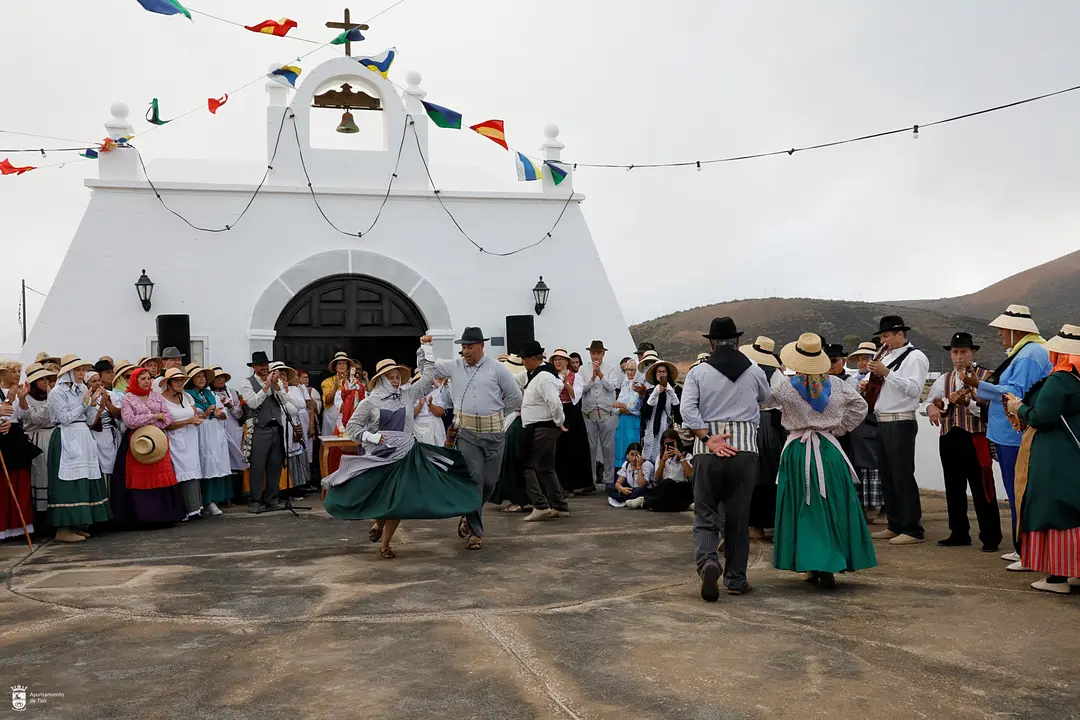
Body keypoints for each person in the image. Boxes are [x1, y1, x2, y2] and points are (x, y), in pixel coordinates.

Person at [324, 338, 478, 559]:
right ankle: (378, 520)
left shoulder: (407, 395)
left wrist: (425, 350)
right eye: (391, 377)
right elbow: (353, 427)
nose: (396, 380)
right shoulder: (370, 402)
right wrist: (373, 437)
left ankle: (385, 544)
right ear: (382, 380)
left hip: (406, 455)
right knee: (380, 496)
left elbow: (427, 379)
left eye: (398, 377)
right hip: (381, 456)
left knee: (399, 501)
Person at [772, 333, 877, 590]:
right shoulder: (838, 385)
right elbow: (860, 407)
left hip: (797, 451)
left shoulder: (786, 387)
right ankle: (830, 561)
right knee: (833, 504)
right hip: (829, 450)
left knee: (803, 505)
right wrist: (839, 428)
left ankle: (809, 562)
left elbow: (762, 401)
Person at [682, 317, 771, 600]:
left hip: (709, 449)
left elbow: (687, 411)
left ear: (710, 342)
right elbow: (765, 398)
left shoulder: (698, 372)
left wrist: (709, 438)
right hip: (744, 449)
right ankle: (736, 579)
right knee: (738, 517)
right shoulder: (754, 369)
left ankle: (708, 561)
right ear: (736, 341)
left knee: (706, 512)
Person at [960, 304, 1052, 569]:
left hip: (1014, 433)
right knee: (1015, 491)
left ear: (1015, 330)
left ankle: (1027, 552)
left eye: (1002, 329)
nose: (999, 334)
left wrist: (980, 385)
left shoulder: (1028, 355)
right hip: (1006, 432)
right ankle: (1020, 546)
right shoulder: (1023, 352)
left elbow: (1014, 392)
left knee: (1019, 491)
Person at [434, 327, 523, 551]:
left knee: (490, 482)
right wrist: (425, 347)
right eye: (463, 347)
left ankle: (468, 511)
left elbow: (515, 396)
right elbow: (429, 367)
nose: (466, 351)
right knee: (475, 480)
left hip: (494, 433)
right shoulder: (454, 366)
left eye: (470, 347)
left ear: (482, 346)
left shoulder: (497, 369)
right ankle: (476, 532)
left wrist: (500, 415)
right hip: (467, 433)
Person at [1008, 324, 1080, 593]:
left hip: (1054, 455)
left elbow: (1041, 417)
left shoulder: (1059, 380)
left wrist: (1019, 407)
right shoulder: (1077, 380)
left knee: (1053, 508)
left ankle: (1058, 576)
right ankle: (1076, 572)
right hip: (1073, 453)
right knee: (1074, 508)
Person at [926, 332, 1002, 551]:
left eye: (963, 352)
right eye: (955, 352)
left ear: (973, 352)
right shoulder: (945, 378)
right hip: (950, 435)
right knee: (953, 486)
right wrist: (933, 409)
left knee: (983, 485)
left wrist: (968, 403)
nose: (959, 357)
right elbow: (934, 401)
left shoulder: (987, 377)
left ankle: (990, 536)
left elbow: (991, 410)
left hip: (976, 435)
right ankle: (958, 532)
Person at [864, 315, 930, 546]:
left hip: (901, 420)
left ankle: (912, 528)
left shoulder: (916, 357)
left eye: (886, 335)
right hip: (883, 420)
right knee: (888, 475)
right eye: (882, 336)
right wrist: (868, 383)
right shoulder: (886, 356)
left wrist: (887, 373)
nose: (883, 340)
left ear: (900, 334)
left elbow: (914, 390)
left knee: (902, 475)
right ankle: (895, 524)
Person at [46, 355, 111, 542]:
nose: (81, 373)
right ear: (68, 372)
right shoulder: (57, 393)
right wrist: (84, 403)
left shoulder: (83, 388)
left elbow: (89, 420)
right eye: (78, 370)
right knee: (68, 482)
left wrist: (94, 405)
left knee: (83, 479)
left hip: (83, 435)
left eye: (83, 370)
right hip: (67, 436)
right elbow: (65, 418)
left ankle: (77, 524)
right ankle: (63, 528)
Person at [113, 367, 186, 525]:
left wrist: (152, 418)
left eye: (149, 378)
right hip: (139, 442)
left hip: (158, 440)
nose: (147, 381)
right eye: (143, 379)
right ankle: (143, 516)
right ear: (135, 381)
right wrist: (153, 416)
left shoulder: (156, 396)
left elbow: (167, 417)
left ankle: (164, 515)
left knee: (161, 474)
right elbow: (130, 421)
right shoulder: (128, 398)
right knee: (140, 475)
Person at [740, 336, 786, 538]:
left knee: (759, 472)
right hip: (772, 425)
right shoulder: (777, 374)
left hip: (762, 423)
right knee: (771, 473)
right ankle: (774, 523)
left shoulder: (752, 372)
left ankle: (758, 524)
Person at [518, 341, 569, 522]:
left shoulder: (543, 377)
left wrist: (559, 421)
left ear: (532, 358)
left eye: (524, 358)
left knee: (526, 464)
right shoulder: (537, 375)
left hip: (542, 426)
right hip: (543, 426)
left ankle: (540, 505)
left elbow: (554, 403)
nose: (523, 362)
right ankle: (559, 505)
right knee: (545, 467)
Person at [240, 352, 295, 513]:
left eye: (266, 365)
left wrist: (276, 386)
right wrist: (266, 386)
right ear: (254, 367)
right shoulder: (247, 382)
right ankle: (255, 499)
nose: (264, 368)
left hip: (276, 426)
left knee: (275, 464)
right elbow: (252, 402)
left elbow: (284, 401)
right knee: (257, 465)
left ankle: (273, 498)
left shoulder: (274, 381)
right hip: (259, 427)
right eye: (260, 365)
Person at [13, 365, 57, 530]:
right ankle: (40, 519)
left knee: (52, 475)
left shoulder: (51, 396)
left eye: (47, 379)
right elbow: (35, 418)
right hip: (37, 438)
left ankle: (54, 515)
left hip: (52, 437)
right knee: (40, 475)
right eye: (41, 379)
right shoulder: (28, 399)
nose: (45, 382)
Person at [185, 366, 232, 516]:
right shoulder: (188, 396)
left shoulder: (211, 394)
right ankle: (205, 501)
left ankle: (215, 499)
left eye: (203, 376)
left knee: (216, 464)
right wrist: (206, 414)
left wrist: (220, 413)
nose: (201, 379)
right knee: (205, 464)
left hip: (215, 431)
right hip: (201, 431)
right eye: (198, 376)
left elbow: (224, 411)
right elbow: (193, 415)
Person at [845, 342, 884, 519]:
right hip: (859, 428)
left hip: (871, 424)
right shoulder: (855, 379)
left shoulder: (875, 377)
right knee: (861, 464)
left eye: (865, 359)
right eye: (859, 359)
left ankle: (879, 506)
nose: (861, 362)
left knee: (873, 464)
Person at [160, 367, 204, 520]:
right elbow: (166, 424)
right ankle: (184, 509)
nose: (179, 383)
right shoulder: (161, 399)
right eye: (176, 380)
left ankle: (196, 507)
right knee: (180, 472)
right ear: (169, 383)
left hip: (190, 437)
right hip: (174, 439)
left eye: (181, 380)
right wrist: (188, 421)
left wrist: (196, 420)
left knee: (192, 471)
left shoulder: (186, 397)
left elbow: (194, 414)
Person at [490, 356, 530, 513]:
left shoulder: (521, 380)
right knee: (508, 460)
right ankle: (517, 497)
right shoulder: (513, 379)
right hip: (510, 420)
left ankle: (519, 498)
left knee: (514, 461)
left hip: (519, 422)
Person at [550, 348, 593, 496]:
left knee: (573, 448)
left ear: (566, 362)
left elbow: (576, 396)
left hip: (571, 412)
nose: (558, 362)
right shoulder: (550, 376)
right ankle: (558, 484)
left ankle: (573, 484)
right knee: (558, 449)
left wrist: (565, 383)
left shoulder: (576, 377)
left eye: (561, 359)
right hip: (556, 411)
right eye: (556, 360)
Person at [581, 340, 620, 490]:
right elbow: (581, 389)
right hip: (588, 413)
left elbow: (612, 387)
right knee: (590, 448)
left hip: (607, 413)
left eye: (598, 353)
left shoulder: (611, 368)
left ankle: (609, 480)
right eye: (593, 353)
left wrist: (601, 375)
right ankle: (590, 481)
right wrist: (592, 378)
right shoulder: (583, 369)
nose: (595, 356)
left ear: (603, 354)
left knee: (608, 448)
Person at [626, 428, 693, 512]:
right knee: (666, 484)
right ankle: (685, 505)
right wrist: (663, 461)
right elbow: (657, 478)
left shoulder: (687, 456)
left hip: (681, 487)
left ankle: (644, 501)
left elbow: (691, 475)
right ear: (663, 445)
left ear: (677, 442)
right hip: (665, 488)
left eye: (673, 442)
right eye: (667, 444)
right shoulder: (660, 458)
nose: (670, 446)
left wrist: (681, 458)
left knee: (669, 484)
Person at [85, 369, 121, 487]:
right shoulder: (85, 398)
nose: (97, 383)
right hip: (95, 435)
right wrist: (98, 408)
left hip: (112, 434)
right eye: (93, 381)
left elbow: (118, 414)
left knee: (115, 464)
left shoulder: (110, 394)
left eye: (98, 380)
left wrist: (106, 401)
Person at [613, 357, 643, 470]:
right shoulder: (625, 386)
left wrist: (624, 406)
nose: (629, 372)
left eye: (632, 370)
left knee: (632, 449)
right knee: (620, 449)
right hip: (622, 423)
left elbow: (636, 408)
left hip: (633, 423)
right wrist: (624, 408)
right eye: (627, 370)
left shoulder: (639, 387)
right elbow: (615, 408)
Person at [321, 351, 359, 437]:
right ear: (335, 367)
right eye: (339, 363)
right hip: (331, 418)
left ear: (348, 367)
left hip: (349, 416)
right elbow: (328, 401)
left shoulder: (354, 382)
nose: (342, 365)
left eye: (344, 363)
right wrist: (335, 387)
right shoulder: (327, 382)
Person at [609, 442, 653, 507]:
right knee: (610, 487)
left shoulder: (647, 465)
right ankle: (628, 498)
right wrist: (621, 489)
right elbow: (618, 482)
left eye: (637, 455)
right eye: (632, 455)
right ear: (627, 455)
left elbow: (641, 485)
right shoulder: (626, 464)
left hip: (643, 490)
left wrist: (639, 468)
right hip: (631, 490)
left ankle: (625, 498)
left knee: (638, 491)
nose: (634, 458)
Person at [412, 371, 448, 447]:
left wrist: (431, 406)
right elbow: (410, 416)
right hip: (417, 426)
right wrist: (420, 405)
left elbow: (440, 413)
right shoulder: (412, 395)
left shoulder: (436, 393)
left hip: (434, 424)